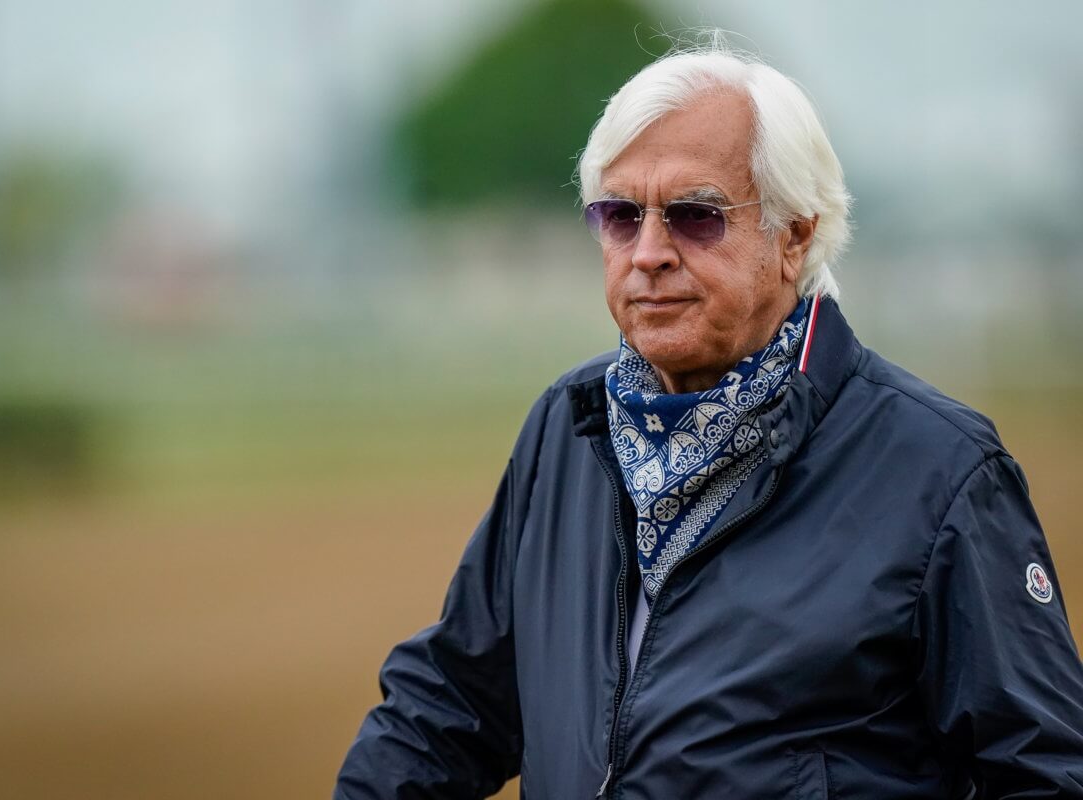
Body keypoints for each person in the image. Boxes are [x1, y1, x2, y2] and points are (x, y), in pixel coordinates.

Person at [335, 41, 1083, 799]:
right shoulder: (569, 427)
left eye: (695, 216)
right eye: (620, 216)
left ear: (794, 235)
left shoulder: (941, 471)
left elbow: (1045, 772)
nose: (648, 252)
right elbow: (453, 703)